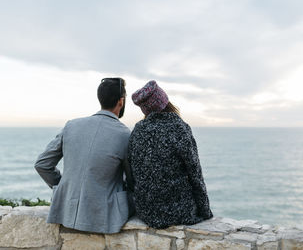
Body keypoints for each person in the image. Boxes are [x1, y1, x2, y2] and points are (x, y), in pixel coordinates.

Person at [34, 77, 133, 234]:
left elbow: (42, 164)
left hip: (66, 211)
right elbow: (132, 180)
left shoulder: (71, 125)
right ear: (121, 101)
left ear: (100, 98)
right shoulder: (125, 134)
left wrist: (65, 188)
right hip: (105, 218)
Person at [127, 80, 213, 229]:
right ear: (165, 101)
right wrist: (205, 211)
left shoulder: (138, 130)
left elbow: (132, 173)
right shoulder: (179, 128)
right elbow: (195, 174)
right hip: (179, 211)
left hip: (146, 212)